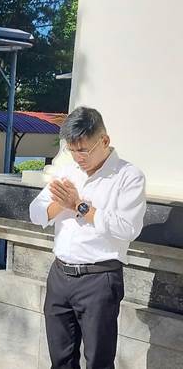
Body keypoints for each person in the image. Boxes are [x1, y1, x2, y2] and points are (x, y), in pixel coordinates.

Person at [29, 106, 146, 369]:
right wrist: (63, 204)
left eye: (83, 150)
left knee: (98, 361)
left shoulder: (129, 177)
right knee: (60, 360)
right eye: (72, 150)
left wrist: (79, 206)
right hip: (60, 275)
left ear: (104, 140)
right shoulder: (68, 173)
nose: (78, 157)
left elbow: (127, 228)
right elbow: (35, 212)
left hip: (99, 279)